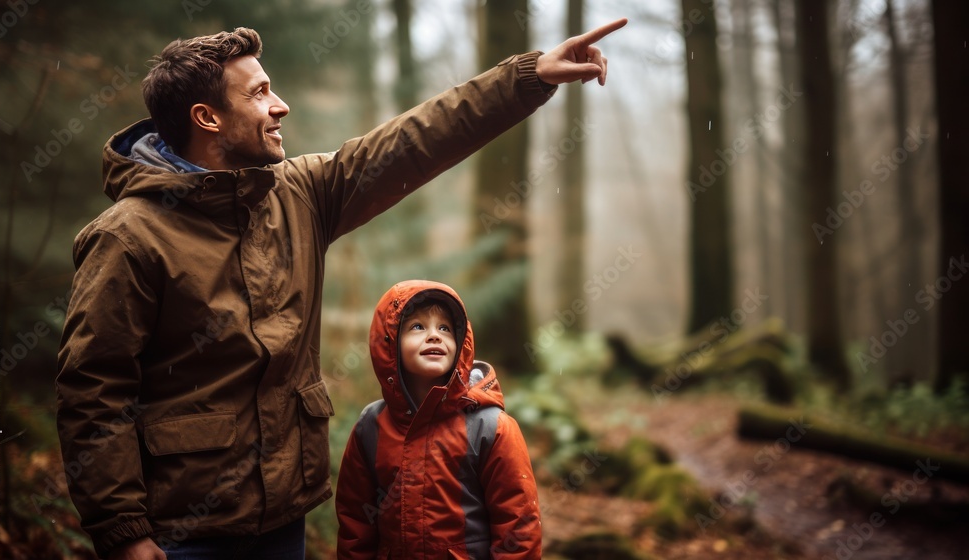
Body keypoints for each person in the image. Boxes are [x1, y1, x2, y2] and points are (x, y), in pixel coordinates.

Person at [55, 18, 626, 560]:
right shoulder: (126, 238)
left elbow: (414, 140)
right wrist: (122, 531)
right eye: (257, 94)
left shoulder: (298, 194)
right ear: (207, 118)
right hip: (179, 534)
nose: (280, 106)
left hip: (283, 520)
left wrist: (525, 79)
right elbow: (94, 391)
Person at [335, 280, 541, 559]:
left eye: (444, 328)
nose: (434, 336)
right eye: (417, 327)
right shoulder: (371, 426)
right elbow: (355, 523)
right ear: (389, 343)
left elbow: (518, 526)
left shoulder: (491, 427)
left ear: (461, 342)